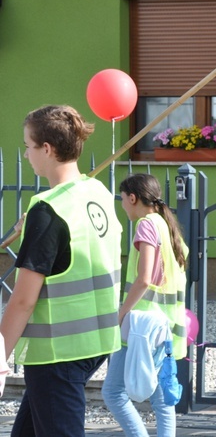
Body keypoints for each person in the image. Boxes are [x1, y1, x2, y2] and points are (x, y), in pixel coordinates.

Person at [0, 105, 123, 436]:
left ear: (47, 149)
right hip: (96, 341)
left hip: (58, 351)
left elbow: (23, 299)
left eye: (28, 146)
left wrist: (0, 355)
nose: (26, 155)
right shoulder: (96, 192)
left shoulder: (47, 209)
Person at [102, 173, 188, 437]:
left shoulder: (146, 225)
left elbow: (145, 278)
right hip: (166, 327)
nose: (122, 206)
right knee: (163, 400)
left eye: (122, 200)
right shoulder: (166, 225)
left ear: (132, 197)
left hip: (142, 326)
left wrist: (121, 312)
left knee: (113, 392)